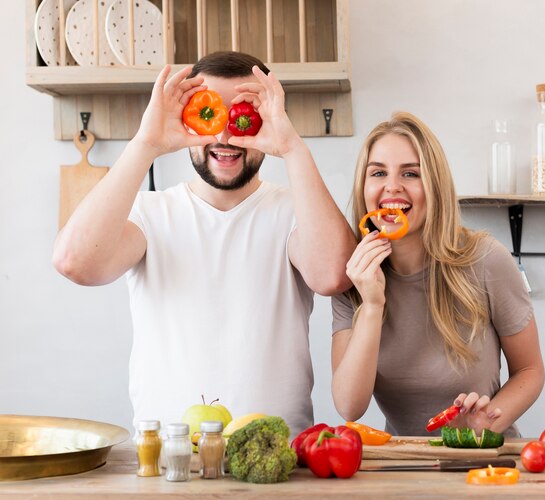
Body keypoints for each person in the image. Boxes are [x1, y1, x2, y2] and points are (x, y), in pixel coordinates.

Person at [52, 51, 356, 436]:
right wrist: (146, 142)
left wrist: (293, 146)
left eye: (244, 115)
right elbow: (74, 263)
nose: (226, 134)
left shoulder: (295, 212)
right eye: (209, 113)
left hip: (278, 457)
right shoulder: (149, 212)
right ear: (186, 119)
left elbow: (332, 276)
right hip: (168, 458)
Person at [331, 112, 544, 437]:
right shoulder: (352, 277)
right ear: (364, 187)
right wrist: (372, 305)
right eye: (378, 172)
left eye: (411, 173)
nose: (392, 186)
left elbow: (529, 370)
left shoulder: (487, 260)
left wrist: (486, 423)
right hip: (405, 466)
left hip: (483, 460)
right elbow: (349, 406)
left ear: (435, 186)